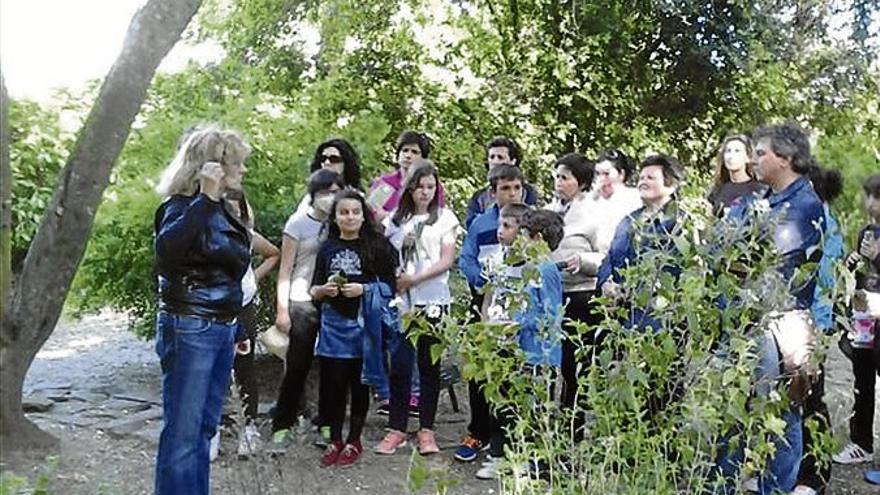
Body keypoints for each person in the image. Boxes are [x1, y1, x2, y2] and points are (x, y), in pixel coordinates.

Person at [721, 123, 832, 494]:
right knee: (733, 411)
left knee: (779, 415)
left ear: (784, 160)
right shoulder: (764, 199)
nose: (753, 159)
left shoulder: (805, 205)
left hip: (777, 325)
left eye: (761, 153)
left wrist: (734, 252)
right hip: (746, 319)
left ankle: (776, 489)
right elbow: (724, 244)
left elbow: (765, 262)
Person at [153, 126, 253, 495]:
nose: (242, 171)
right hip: (190, 327)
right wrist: (206, 200)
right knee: (183, 432)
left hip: (219, 327)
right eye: (236, 163)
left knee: (203, 430)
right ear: (212, 168)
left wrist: (237, 327)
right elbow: (168, 254)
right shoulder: (181, 208)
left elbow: (229, 277)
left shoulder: (223, 212)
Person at [374, 162, 460, 456]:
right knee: (399, 366)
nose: (425, 192)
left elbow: (447, 260)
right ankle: (396, 428)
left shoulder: (445, 218)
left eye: (430, 187)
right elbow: (382, 256)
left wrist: (414, 279)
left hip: (433, 301)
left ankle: (426, 430)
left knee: (429, 367)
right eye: (420, 186)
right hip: (402, 305)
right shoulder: (395, 222)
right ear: (410, 188)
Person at [474, 207, 565, 480]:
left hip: (541, 355)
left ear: (536, 239)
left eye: (523, 235)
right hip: (521, 350)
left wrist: (519, 324)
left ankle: (537, 465)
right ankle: (508, 458)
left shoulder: (547, 269)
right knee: (515, 405)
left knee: (538, 410)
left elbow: (551, 315)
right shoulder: (530, 267)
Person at [310, 189, 398, 467]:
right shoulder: (326, 248)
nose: (349, 217)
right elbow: (313, 288)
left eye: (355, 212)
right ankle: (335, 438)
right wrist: (322, 290)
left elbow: (390, 287)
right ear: (335, 217)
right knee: (334, 386)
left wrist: (364, 289)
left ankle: (354, 439)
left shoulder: (377, 246)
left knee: (359, 385)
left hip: (364, 327)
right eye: (343, 212)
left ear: (363, 216)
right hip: (332, 326)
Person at [268, 169, 345, 453]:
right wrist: (282, 309)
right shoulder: (298, 223)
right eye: (327, 191)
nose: (332, 197)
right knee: (297, 367)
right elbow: (285, 269)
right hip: (301, 300)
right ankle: (282, 426)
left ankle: (326, 423)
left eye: (337, 191)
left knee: (331, 367)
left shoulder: (339, 223)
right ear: (314, 193)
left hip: (333, 302)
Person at [455, 164, 527, 463]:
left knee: (512, 374)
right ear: (492, 192)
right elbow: (466, 258)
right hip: (483, 304)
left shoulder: (528, 220)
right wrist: (480, 280)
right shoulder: (481, 224)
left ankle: (510, 436)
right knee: (479, 371)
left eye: (516, 188)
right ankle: (478, 432)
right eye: (504, 189)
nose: (511, 194)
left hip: (517, 311)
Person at [544, 152, 606, 442]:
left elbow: (606, 256)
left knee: (574, 364)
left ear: (580, 182)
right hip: (550, 293)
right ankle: (546, 424)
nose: (558, 182)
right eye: (556, 176)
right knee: (549, 361)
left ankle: (573, 429)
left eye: (565, 177)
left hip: (580, 294)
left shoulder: (594, 214)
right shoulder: (548, 210)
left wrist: (583, 260)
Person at [598, 154, 686, 332]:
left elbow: (679, 270)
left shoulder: (681, 223)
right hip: (623, 317)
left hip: (661, 319)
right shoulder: (628, 221)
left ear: (671, 185)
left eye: (651, 178)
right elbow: (610, 257)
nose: (643, 182)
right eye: (641, 178)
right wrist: (606, 283)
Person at [223, 190, 280, 460]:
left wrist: (252, 279)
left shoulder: (247, 235)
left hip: (242, 307)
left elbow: (273, 254)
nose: (232, 214)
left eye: (237, 210)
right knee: (211, 368)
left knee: (244, 366)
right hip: (212, 309)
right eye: (227, 209)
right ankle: (213, 429)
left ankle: (249, 428)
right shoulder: (204, 235)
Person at [833, 174, 880, 467]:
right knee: (862, 380)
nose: (871, 204)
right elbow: (860, 271)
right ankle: (862, 443)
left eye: (877, 197)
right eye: (869, 197)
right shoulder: (867, 230)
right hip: (865, 318)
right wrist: (854, 260)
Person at [464, 136, 540, 228]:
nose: (495, 162)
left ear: (513, 161)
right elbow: (472, 227)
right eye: (492, 157)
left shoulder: (528, 192)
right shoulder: (479, 197)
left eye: (500, 157)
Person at [369, 130, 446, 221]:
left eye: (414, 152)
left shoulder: (431, 185)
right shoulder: (385, 183)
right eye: (405, 150)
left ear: (423, 158)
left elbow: (437, 215)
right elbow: (369, 213)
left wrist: (389, 217)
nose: (408, 155)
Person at [293, 139, 363, 217]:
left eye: (334, 159)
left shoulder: (358, 197)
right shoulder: (310, 199)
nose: (327, 163)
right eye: (323, 159)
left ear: (346, 163)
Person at [590, 149, 643, 250]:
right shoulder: (592, 200)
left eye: (606, 174)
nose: (601, 179)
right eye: (598, 174)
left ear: (621, 174)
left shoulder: (633, 198)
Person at [706, 134, 765, 216]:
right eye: (728, 151)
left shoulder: (759, 190)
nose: (731, 156)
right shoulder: (718, 189)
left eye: (737, 151)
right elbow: (709, 220)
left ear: (748, 158)